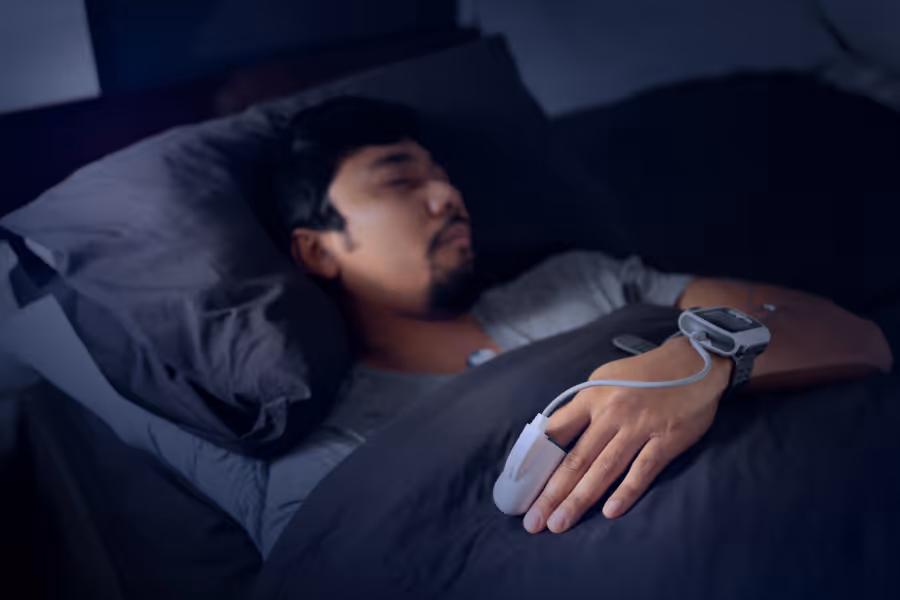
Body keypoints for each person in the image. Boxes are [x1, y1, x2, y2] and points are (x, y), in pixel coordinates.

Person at [270, 96, 893, 539]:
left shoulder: (579, 281)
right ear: (317, 250)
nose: (448, 197)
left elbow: (856, 337)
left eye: (445, 178)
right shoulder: (329, 457)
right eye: (400, 182)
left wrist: (700, 360)